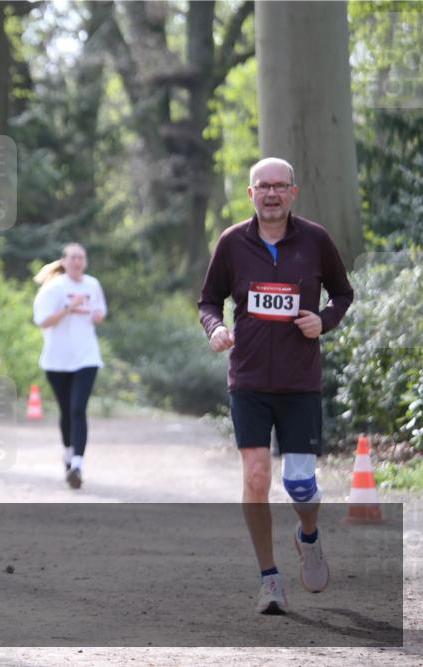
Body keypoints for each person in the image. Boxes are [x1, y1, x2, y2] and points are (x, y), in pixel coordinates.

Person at [198, 157, 354, 614]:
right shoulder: (232, 243)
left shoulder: (315, 240)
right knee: (256, 476)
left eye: (279, 186)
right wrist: (215, 328)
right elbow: (209, 300)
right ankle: (269, 579)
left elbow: (343, 293)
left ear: (292, 192)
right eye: (263, 186)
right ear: (251, 194)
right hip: (248, 380)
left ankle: (308, 536)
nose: (271, 194)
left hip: (299, 382)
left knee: (301, 485)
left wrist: (323, 321)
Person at [32, 243, 107, 489]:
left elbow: (100, 312)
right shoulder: (53, 288)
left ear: (85, 261)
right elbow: (43, 321)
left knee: (78, 409)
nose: (77, 261)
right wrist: (69, 308)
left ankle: (77, 464)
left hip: (86, 358)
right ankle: (68, 451)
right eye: (73, 257)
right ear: (64, 261)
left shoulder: (92, 284)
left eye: (81, 257)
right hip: (57, 361)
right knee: (66, 410)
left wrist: (97, 315)